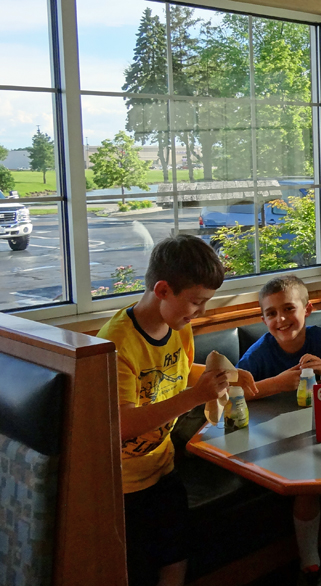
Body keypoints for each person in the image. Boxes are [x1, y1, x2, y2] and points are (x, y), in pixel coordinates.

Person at [97, 235, 258, 586]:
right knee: (137, 568)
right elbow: (121, 423)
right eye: (196, 302)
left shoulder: (177, 327)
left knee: (176, 554)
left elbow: (181, 373)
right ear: (163, 290)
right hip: (123, 485)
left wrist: (225, 373)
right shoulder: (118, 344)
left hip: (163, 467)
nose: (200, 312)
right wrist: (194, 397)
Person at [237, 275, 321, 586]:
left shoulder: (318, 339)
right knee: (306, 480)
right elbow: (233, 393)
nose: (281, 319)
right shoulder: (260, 354)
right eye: (272, 313)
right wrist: (277, 383)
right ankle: (310, 561)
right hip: (276, 439)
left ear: (308, 309)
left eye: (289, 309)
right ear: (263, 318)